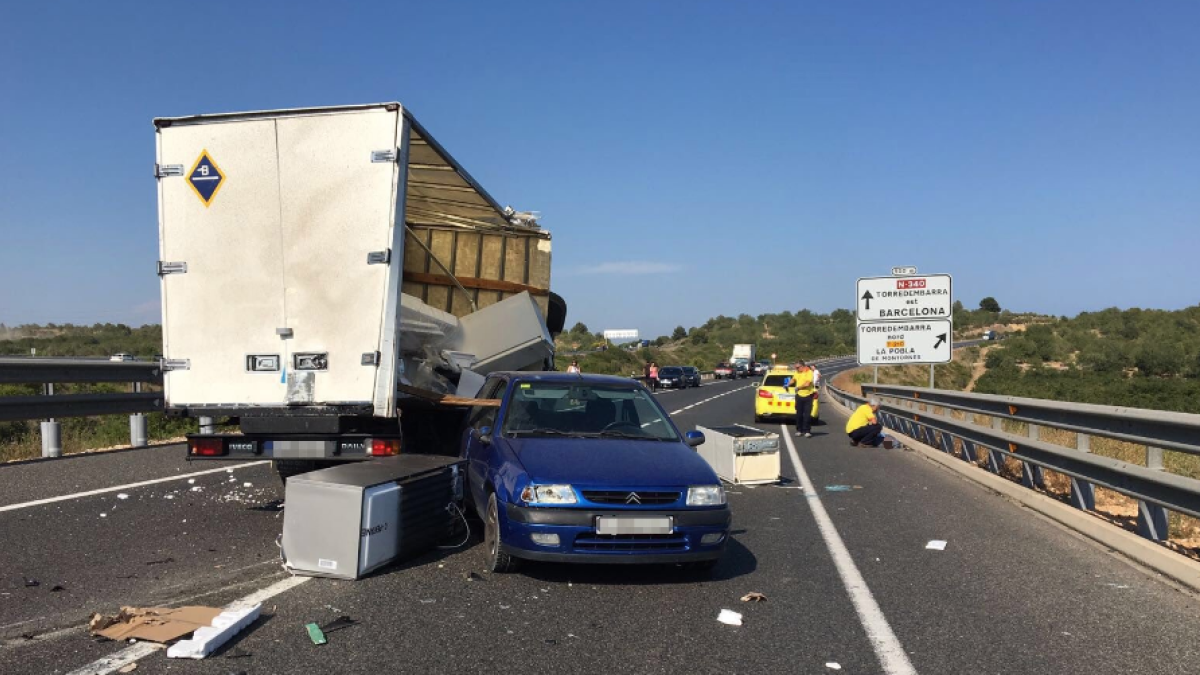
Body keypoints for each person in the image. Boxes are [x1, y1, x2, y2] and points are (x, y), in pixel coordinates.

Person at [789, 360, 817, 438]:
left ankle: (807, 431)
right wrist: (788, 384)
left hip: (808, 395)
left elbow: (807, 383)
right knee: (799, 414)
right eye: (795, 368)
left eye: (797, 367)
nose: (796, 369)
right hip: (799, 396)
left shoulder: (809, 372)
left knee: (807, 414)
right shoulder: (797, 372)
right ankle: (799, 430)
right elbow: (793, 379)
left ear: (802, 366)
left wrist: (798, 387)